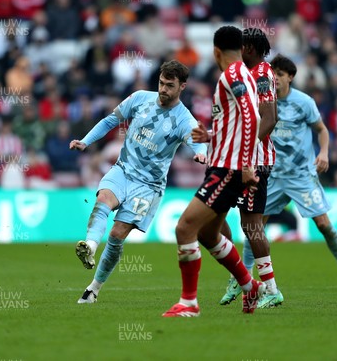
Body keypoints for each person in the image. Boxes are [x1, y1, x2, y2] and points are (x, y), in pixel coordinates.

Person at [69, 60, 207, 304]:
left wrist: (200, 152)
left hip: (148, 186)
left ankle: (94, 289)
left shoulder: (184, 119)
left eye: (170, 86)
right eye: (162, 83)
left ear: (182, 87)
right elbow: (110, 120)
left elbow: (196, 138)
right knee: (102, 200)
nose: (163, 89)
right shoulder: (140, 98)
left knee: (117, 233)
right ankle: (89, 246)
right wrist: (86, 141)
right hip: (123, 169)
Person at [162, 26, 264, 318]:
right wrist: (210, 136)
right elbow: (236, 121)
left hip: (228, 169)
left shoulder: (231, 75)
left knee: (184, 228)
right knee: (208, 234)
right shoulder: (241, 74)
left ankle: (189, 303)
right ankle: (249, 285)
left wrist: (246, 164)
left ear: (216, 51)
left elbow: (252, 117)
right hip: (223, 164)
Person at [194, 28, 283, 308]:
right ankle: (241, 277)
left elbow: (269, 118)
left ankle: (269, 288)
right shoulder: (242, 74)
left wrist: (246, 149)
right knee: (215, 220)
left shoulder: (262, 74)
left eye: (243, 46)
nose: (238, 50)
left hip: (254, 162)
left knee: (251, 226)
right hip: (235, 160)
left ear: (252, 49)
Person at [266, 54, 337, 290]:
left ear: (290, 77)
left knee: (323, 224)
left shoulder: (304, 102)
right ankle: (243, 280)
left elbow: (322, 130)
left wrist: (324, 152)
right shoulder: (263, 101)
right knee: (254, 226)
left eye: (280, 74)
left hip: (301, 176)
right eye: (272, 74)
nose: (275, 78)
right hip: (273, 175)